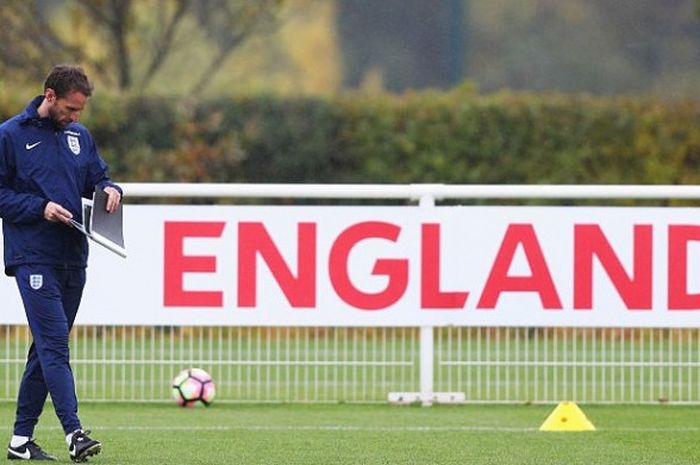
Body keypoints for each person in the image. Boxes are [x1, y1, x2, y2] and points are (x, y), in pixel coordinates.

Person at [0, 65, 122, 462]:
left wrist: (111, 190)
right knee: (54, 345)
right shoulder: (10, 136)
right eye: (70, 109)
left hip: (73, 256)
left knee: (45, 348)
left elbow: (98, 179)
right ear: (49, 96)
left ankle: (20, 441)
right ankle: (74, 433)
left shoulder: (78, 136)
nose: (75, 117)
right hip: (32, 255)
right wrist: (40, 208)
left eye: (80, 111)